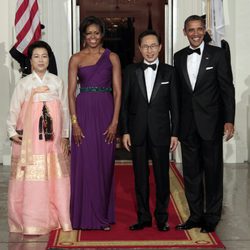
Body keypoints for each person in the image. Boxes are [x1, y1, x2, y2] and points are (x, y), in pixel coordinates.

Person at [174, 15, 235, 233]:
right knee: (191, 174)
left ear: (205, 30)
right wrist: (176, 127)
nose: (196, 33)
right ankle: (195, 215)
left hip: (211, 123)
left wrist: (229, 120)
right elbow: (179, 94)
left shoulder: (217, 54)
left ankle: (212, 216)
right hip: (188, 126)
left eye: (199, 29)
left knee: (213, 172)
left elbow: (227, 88)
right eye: (191, 30)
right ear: (184, 32)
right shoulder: (178, 57)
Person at [6, 40, 72, 235]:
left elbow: (65, 110)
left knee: (54, 177)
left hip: (53, 141)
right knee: (31, 180)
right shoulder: (24, 83)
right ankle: (30, 220)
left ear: (49, 59)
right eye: (36, 56)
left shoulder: (57, 82)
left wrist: (65, 135)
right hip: (31, 142)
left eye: (44, 56)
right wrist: (12, 132)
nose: (41, 60)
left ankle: (55, 216)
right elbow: (14, 109)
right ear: (30, 60)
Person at [120, 30, 179, 231]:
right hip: (137, 132)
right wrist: (125, 131)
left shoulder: (169, 72)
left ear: (160, 47)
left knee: (162, 177)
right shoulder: (130, 71)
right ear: (139, 48)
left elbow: (175, 106)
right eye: (145, 46)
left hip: (162, 132)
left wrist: (175, 133)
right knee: (140, 177)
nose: (150, 50)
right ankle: (143, 217)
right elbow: (124, 105)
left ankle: (162, 217)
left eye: (153, 45)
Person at [68, 16, 121, 230]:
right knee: (84, 165)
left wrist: (115, 121)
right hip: (83, 112)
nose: (92, 37)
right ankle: (83, 216)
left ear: (102, 35)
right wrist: (75, 123)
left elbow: (118, 92)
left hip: (106, 111)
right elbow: (71, 93)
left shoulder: (112, 58)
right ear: (84, 35)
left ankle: (102, 214)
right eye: (88, 33)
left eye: (96, 33)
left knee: (104, 165)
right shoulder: (76, 59)